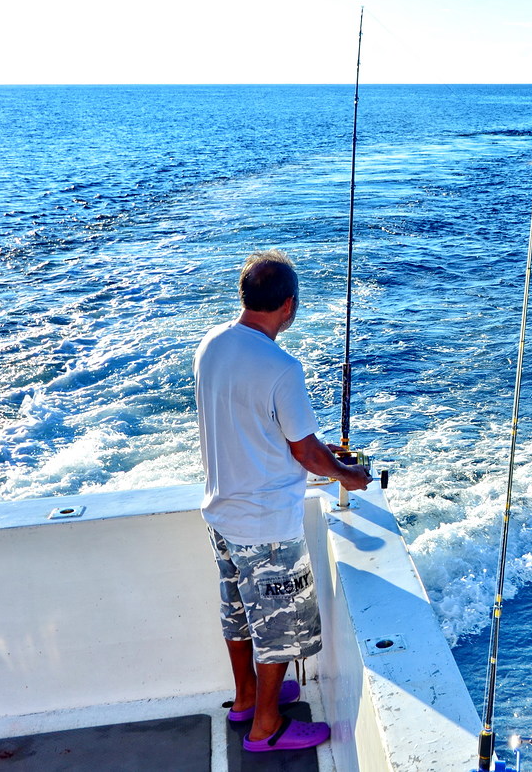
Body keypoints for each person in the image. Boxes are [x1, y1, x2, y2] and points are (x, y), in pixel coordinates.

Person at [194, 250, 371, 753]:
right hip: (266, 526)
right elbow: (304, 449)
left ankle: (247, 698)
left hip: (221, 514)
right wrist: (345, 473)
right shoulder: (281, 367)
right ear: (288, 305)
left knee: (238, 615)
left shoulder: (211, 345)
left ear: (244, 296)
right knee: (277, 628)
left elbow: (249, 424)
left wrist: (313, 452)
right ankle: (266, 727)